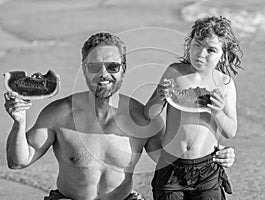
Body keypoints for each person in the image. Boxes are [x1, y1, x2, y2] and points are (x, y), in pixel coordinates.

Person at [4, 32, 236, 200]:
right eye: (95, 66)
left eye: (113, 67)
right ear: (84, 68)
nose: (104, 74)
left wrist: (218, 155)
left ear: (124, 68)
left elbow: (175, 160)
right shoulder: (60, 114)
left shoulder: (142, 118)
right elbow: (18, 161)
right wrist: (19, 122)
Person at [144, 16, 243, 200]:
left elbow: (230, 131)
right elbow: (149, 113)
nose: (200, 54)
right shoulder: (174, 72)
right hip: (171, 166)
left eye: (211, 50)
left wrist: (217, 111)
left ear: (224, 54)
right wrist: (159, 97)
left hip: (207, 169)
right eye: (197, 44)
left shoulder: (225, 84)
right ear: (189, 43)